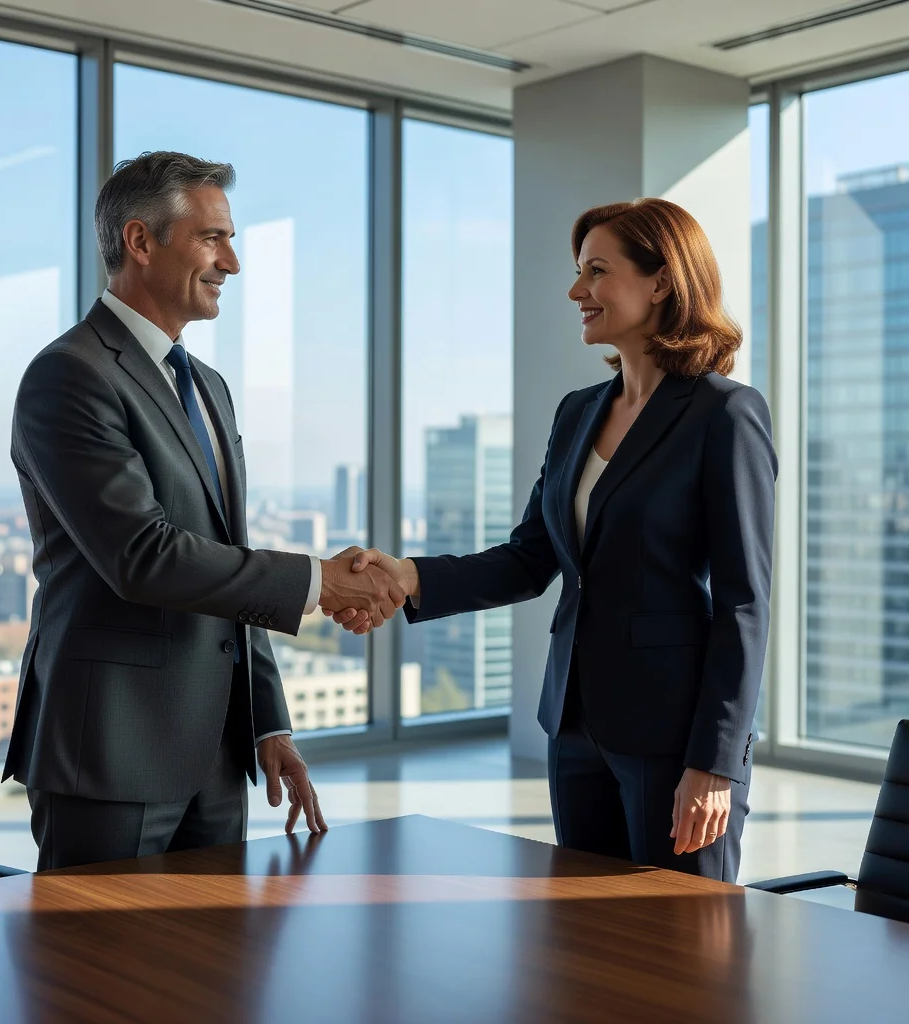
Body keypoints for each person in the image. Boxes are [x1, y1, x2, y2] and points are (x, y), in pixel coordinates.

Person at [326, 198, 777, 883]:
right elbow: (531, 557)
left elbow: (745, 602)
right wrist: (408, 575)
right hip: (575, 726)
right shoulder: (578, 413)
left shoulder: (724, 414)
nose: (576, 291)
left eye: (597, 271)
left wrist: (715, 762)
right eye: (577, 271)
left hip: (674, 735)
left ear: (661, 282)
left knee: (682, 955)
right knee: (582, 946)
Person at [2, 151, 404, 870]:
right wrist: (321, 581)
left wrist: (267, 724)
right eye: (213, 239)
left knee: (213, 977)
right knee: (96, 973)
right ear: (140, 240)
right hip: (112, 753)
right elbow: (142, 557)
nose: (233, 264)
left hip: (217, 755)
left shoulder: (208, 387)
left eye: (233, 240)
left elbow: (227, 555)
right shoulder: (69, 375)